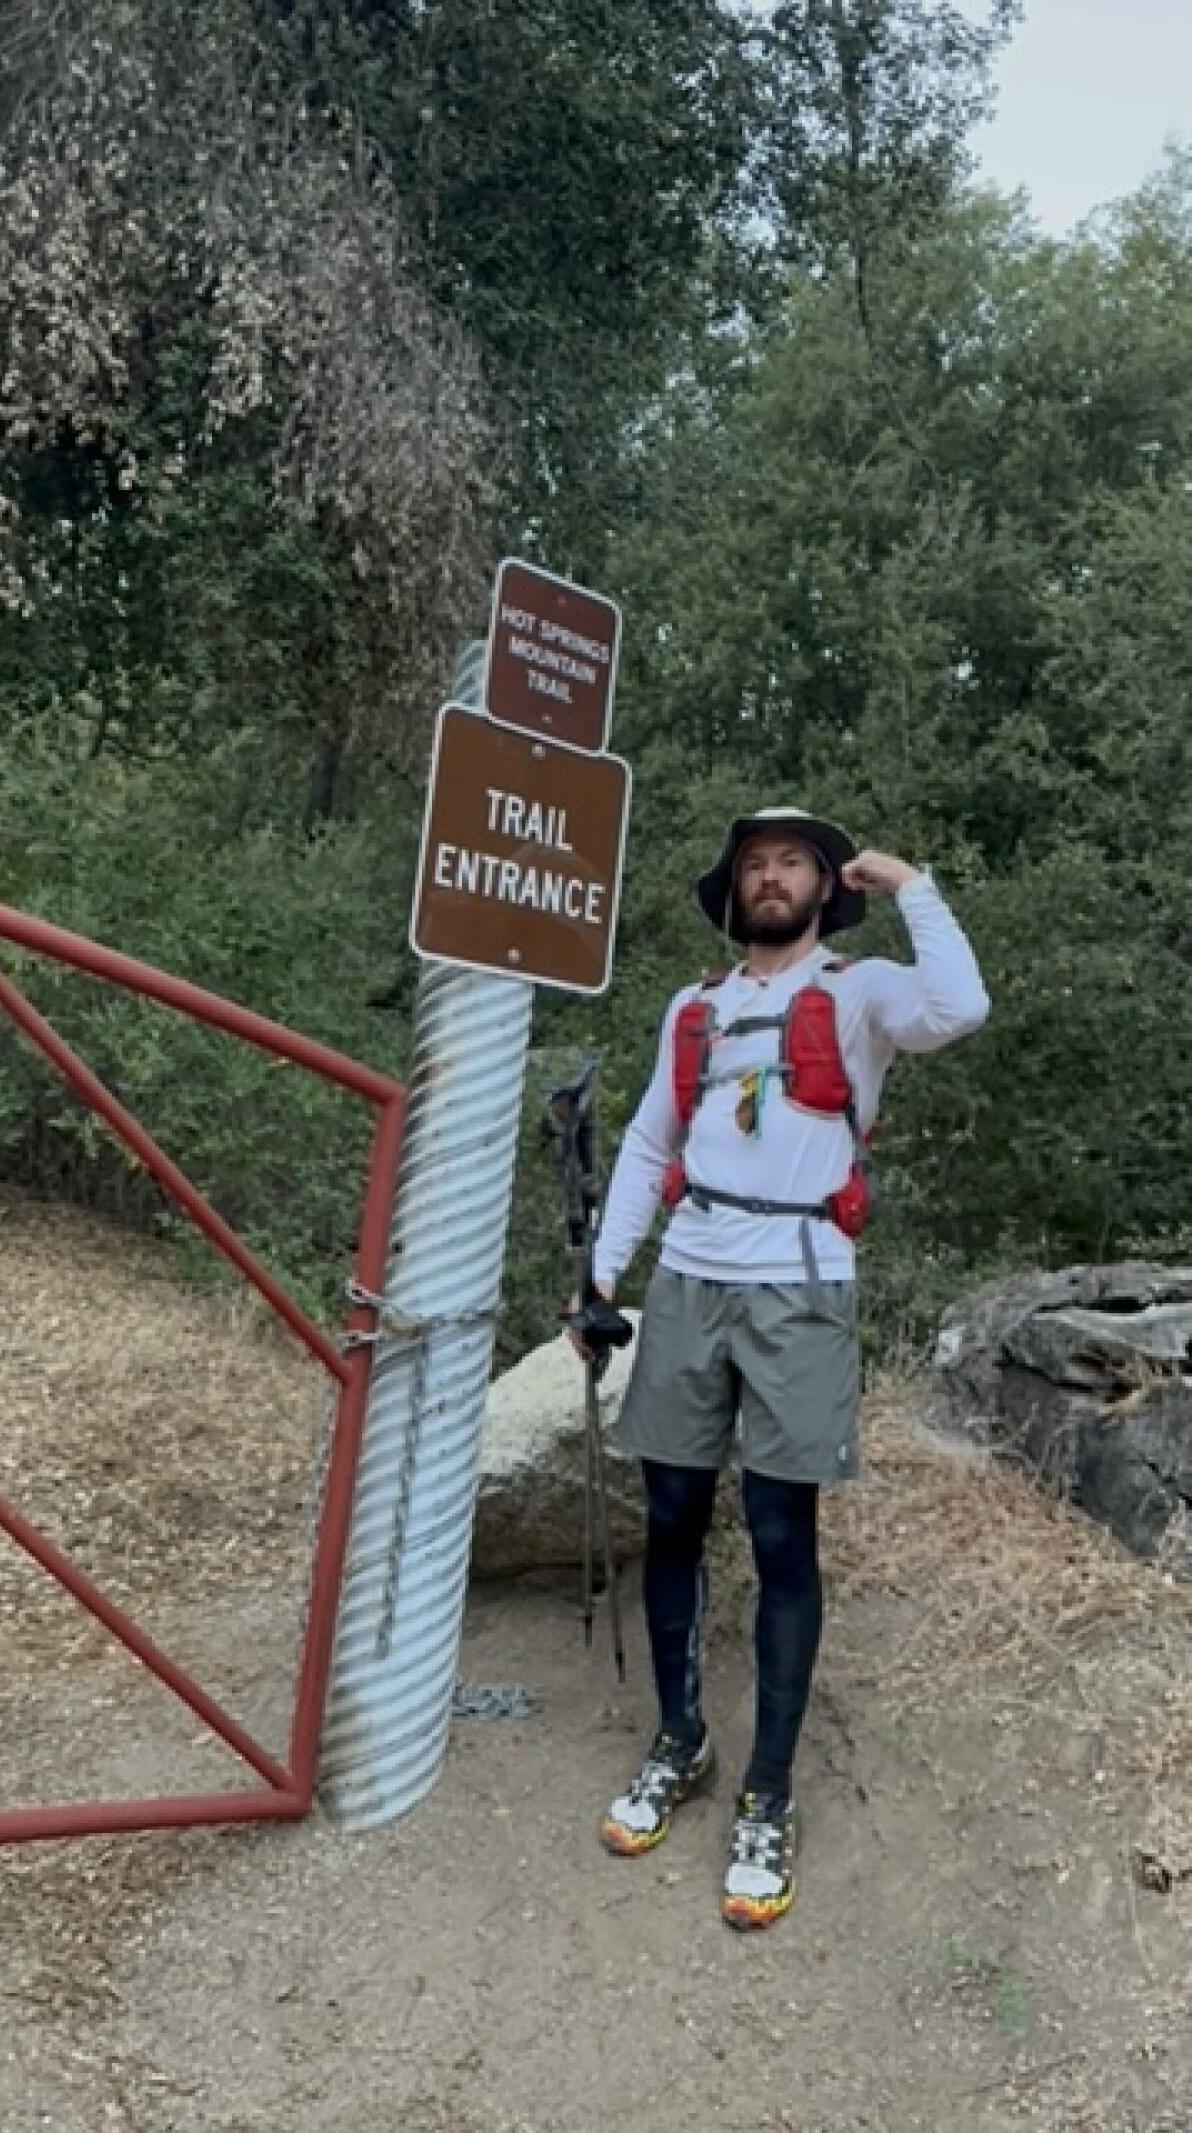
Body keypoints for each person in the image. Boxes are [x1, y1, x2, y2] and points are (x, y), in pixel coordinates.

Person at [573, 805, 989, 1930]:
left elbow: (962, 1004)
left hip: (803, 1281)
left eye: (792, 863)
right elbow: (652, 1143)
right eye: (754, 864)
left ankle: (769, 1790)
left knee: (778, 1532)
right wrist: (604, 1277)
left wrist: (914, 883)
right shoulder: (693, 1008)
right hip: (691, 1278)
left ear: (824, 886)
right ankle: (682, 1741)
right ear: (733, 889)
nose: (770, 878)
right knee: (670, 1513)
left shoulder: (864, 994)